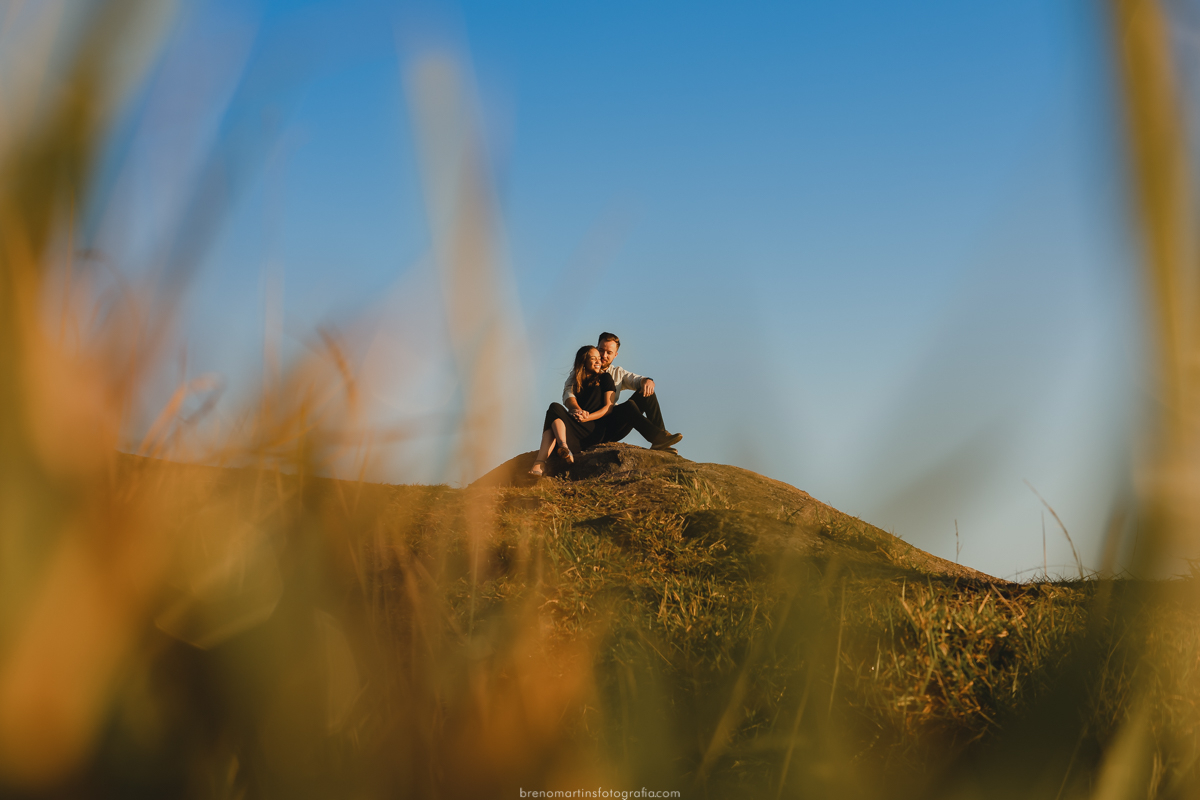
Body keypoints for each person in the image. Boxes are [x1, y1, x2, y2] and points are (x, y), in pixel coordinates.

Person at [562, 332, 682, 451]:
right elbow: (568, 393)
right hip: (588, 426)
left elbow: (636, 380)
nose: (604, 355)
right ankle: (658, 437)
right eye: (601, 350)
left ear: (615, 355)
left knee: (647, 393)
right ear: (596, 348)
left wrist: (648, 381)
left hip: (611, 425)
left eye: (609, 353)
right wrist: (577, 410)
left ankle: (661, 440)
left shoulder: (617, 373)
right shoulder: (580, 372)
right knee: (628, 406)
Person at [530, 346, 616, 477]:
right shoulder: (575, 381)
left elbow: (608, 408)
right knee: (554, 408)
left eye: (599, 359)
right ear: (583, 361)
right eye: (594, 359)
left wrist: (587, 417)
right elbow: (569, 397)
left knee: (552, 419)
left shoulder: (605, 378)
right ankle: (563, 447)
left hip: (593, 427)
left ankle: (540, 463)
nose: (598, 361)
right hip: (577, 424)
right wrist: (578, 412)